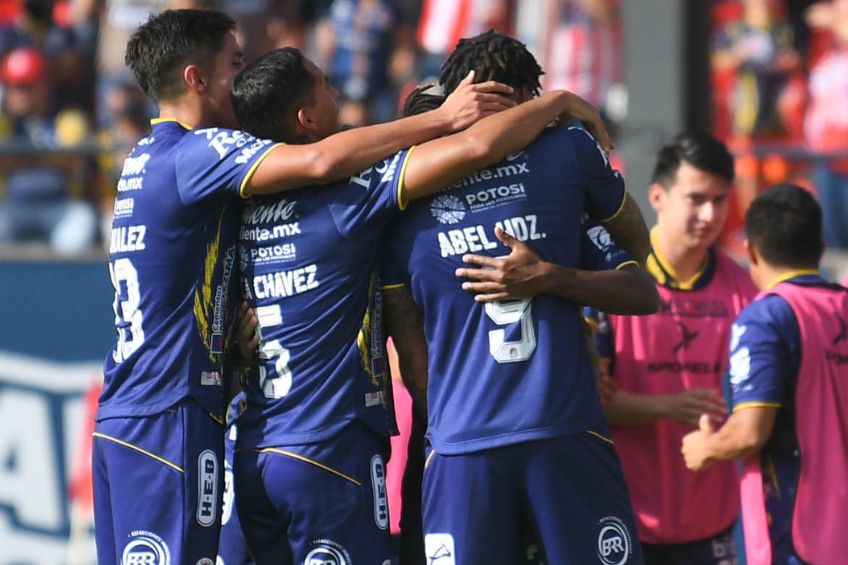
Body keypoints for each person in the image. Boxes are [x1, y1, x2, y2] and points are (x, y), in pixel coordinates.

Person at [92, 8, 519, 565]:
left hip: (150, 416)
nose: (240, 83)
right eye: (234, 63)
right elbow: (320, 161)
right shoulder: (200, 155)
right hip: (183, 417)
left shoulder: (144, 161)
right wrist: (455, 118)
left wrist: (229, 343)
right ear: (197, 78)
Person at [229, 46, 614, 565]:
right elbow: (477, 147)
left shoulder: (236, 204)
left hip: (251, 448)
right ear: (306, 119)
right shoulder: (348, 197)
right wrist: (558, 103)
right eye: (324, 85)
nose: (337, 91)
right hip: (328, 449)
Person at [381, 30, 657, 564]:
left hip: (462, 442)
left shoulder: (403, 184)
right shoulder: (567, 152)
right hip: (564, 430)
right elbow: (638, 255)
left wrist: (445, 412)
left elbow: (406, 338)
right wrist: (560, 284)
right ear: (527, 95)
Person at [592, 132, 758, 564]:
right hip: (624, 519)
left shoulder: (742, 290)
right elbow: (594, 402)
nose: (710, 214)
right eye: (697, 198)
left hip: (712, 524)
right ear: (658, 196)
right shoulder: (617, 280)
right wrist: (669, 406)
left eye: (721, 200)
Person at [682, 183, 848, 565]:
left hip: (798, 538)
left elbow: (750, 432)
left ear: (751, 251)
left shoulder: (765, 318)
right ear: (821, 246)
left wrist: (705, 448)